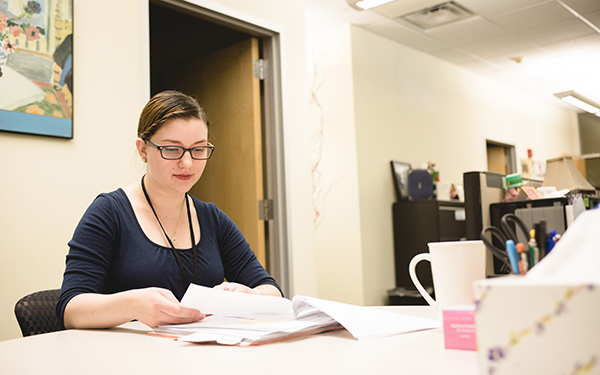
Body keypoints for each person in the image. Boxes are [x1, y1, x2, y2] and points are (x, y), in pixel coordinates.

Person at [57, 90, 282, 330]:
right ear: (143, 150)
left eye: (198, 150)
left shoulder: (212, 219)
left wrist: (249, 296)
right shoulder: (109, 212)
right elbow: (70, 310)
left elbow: (271, 291)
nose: (187, 163)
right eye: (172, 149)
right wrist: (133, 304)